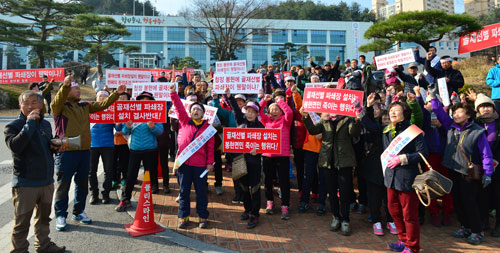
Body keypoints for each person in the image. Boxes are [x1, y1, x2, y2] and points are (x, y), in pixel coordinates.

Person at [51, 75, 125, 231]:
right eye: (75, 88)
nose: (79, 91)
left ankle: (78, 211)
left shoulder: (85, 106)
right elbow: (56, 101)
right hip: (66, 152)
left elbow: (102, 105)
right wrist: (65, 85)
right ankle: (60, 215)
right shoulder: (60, 107)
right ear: (66, 91)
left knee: (82, 184)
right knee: (63, 185)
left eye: (79, 88)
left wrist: (116, 94)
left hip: (84, 150)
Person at [359, 99, 427, 253]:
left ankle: (412, 246)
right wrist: (360, 109)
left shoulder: (413, 131)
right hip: (390, 179)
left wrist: (403, 158)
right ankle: (403, 241)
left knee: (409, 215)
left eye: (396, 110)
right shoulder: (387, 130)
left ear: (405, 113)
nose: (392, 113)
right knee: (394, 211)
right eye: (391, 111)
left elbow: (423, 154)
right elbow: (369, 126)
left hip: (407, 179)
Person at [429, 85, 493, 245]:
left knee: (470, 202)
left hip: (469, 173)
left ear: (469, 115)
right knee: (457, 201)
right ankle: (465, 226)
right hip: (453, 169)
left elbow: (486, 154)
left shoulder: (477, 131)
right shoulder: (451, 127)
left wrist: (488, 173)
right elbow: (440, 113)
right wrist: (433, 97)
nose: (455, 115)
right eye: (454, 112)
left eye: (459, 112)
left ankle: (477, 231)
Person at [5, 91, 66, 253]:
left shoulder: (45, 124)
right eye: (26, 103)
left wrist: (56, 147)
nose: (31, 106)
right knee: (22, 221)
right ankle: (19, 250)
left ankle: (43, 245)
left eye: (34, 102)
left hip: (46, 181)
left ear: (41, 105)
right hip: (26, 182)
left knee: (44, 218)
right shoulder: (13, 126)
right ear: (20, 106)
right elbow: (16, 146)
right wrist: (29, 123)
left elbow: (47, 148)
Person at [302, 103, 361, 236]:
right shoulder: (324, 120)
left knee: (345, 192)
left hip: (344, 161)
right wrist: (306, 116)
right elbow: (313, 130)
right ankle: (336, 217)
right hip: (327, 161)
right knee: (331, 192)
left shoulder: (348, 119)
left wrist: (357, 119)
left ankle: (345, 219)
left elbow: (354, 132)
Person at [170, 84, 214, 229]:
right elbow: (178, 107)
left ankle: (202, 216)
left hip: (201, 166)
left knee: (201, 192)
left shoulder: (208, 129)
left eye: (199, 109)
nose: (196, 111)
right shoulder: (184, 121)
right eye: (193, 109)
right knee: (184, 191)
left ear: (203, 114)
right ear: (190, 112)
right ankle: (183, 216)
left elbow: (211, 148)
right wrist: (173, 94)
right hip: (184, 164)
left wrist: (209, 163)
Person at [115, 91, 164, 212]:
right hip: (135, 149)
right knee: (130, 175)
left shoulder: (155, 114)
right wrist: (127, 126)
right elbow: (125, 131)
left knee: (150, 176)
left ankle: (148, 201)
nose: (144, 103)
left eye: (147, 101)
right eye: (142, 101)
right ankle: (125, 199)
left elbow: (160, 132)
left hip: (150, 149)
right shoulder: (132, 114)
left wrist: (153, 128)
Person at [357, 93, 397, 236]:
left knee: (389, 199)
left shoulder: (399, 132)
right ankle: (376, 222)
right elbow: (367, 123)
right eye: (385, 119)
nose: (387, 121)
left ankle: (391, 221)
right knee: (374, 197)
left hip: (391, 170)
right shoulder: (377, 131)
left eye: (390, 118)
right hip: (374, 170)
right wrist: (366, 107)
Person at [226, 88, 264, 229]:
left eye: (253, 111)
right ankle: (247, 209)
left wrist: (258, 151)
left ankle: (255, 214)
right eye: (248, 111)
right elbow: (235, 109)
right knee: (243, 188)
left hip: (254, 163)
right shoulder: (240, 121)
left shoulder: (261, 127)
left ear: (256, 114)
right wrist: (229, 96)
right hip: (240, 161)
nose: (250, 113)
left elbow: (265, 145)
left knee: (255, 188)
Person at [260, 92, 293, 220]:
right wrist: (264, 100)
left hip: (282, 155)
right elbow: (259, 112)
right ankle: (270, 202)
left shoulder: (285, 121)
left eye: (276, 109)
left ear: (280, 111)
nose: (273, 111)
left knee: (284, 181)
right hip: (268, 155)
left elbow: (289, 112)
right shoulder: (266, 120)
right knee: (268, 180)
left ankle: (285, 205)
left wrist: (280, 101)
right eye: (271, 109)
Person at [88, 90, 118, 205]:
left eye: (105, 96)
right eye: (100, 96)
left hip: (108, 145)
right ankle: (94, 194)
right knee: (91, 172)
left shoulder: (112, 111)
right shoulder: (89, 110)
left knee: (108, 171)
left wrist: (120, 124)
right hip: (92, 145)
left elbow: (119, 129)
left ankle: (106, 193)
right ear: (96, 98)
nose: (102, 98)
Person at [112, 92, 131, 189]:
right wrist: (116, 128)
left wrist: (122, 131)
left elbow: (131, 125)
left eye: (124, 98)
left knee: (124, 161)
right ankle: (115, 179)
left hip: (125, 141)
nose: (122, 100)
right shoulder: (112, 110)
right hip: (113, 141)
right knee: (113, 162)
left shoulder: (130, 111)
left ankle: (124, 178)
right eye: (120, 98)